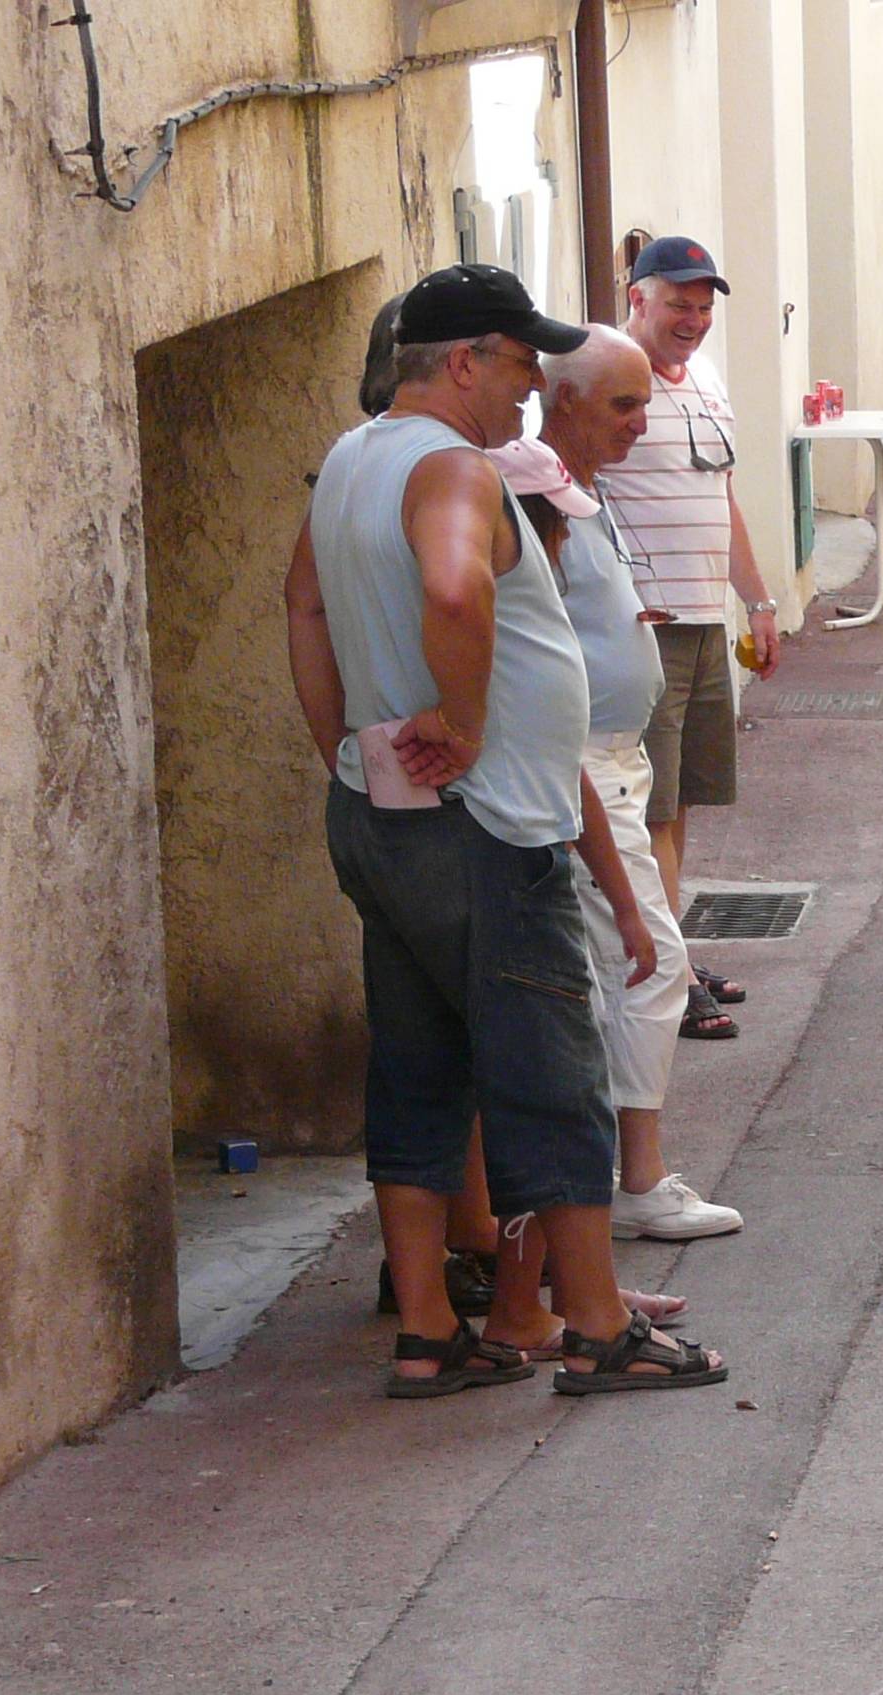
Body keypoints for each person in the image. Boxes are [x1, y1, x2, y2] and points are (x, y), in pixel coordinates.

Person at [284, 262, 725, 1397]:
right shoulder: (451, 469)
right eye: (522, 364)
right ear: (465, 361)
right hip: (486, 827)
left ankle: (430, 1329)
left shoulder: (350, 459)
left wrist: (340, 739)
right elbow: (449, 587)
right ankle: (592, 1323)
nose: (533, 389)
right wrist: (466, 723)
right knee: (550, 1070)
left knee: (423, 1068)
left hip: (383, 815)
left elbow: (303, 601)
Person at [528, 323, 745, 1242]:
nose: (638, 424)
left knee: (631, 966)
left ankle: (625, 1178)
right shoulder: (534, 491)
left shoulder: (580, 488)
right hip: (584, 765)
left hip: (613, 757)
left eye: (644, 405)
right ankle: (638, 1182)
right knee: (650, 963)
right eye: (623, 406)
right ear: (563, 399)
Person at [599, 235, 781, 1042]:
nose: (694, 319)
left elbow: (724, 497)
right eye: (678, 302)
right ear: (637, 298)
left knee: (685, 803)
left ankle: (674, 948)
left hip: (707, 621)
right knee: (652, 810)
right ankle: (667, 979)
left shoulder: (704, 379)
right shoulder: (607, 379)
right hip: (649, 629)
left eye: (704, 306)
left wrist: (760, 599)